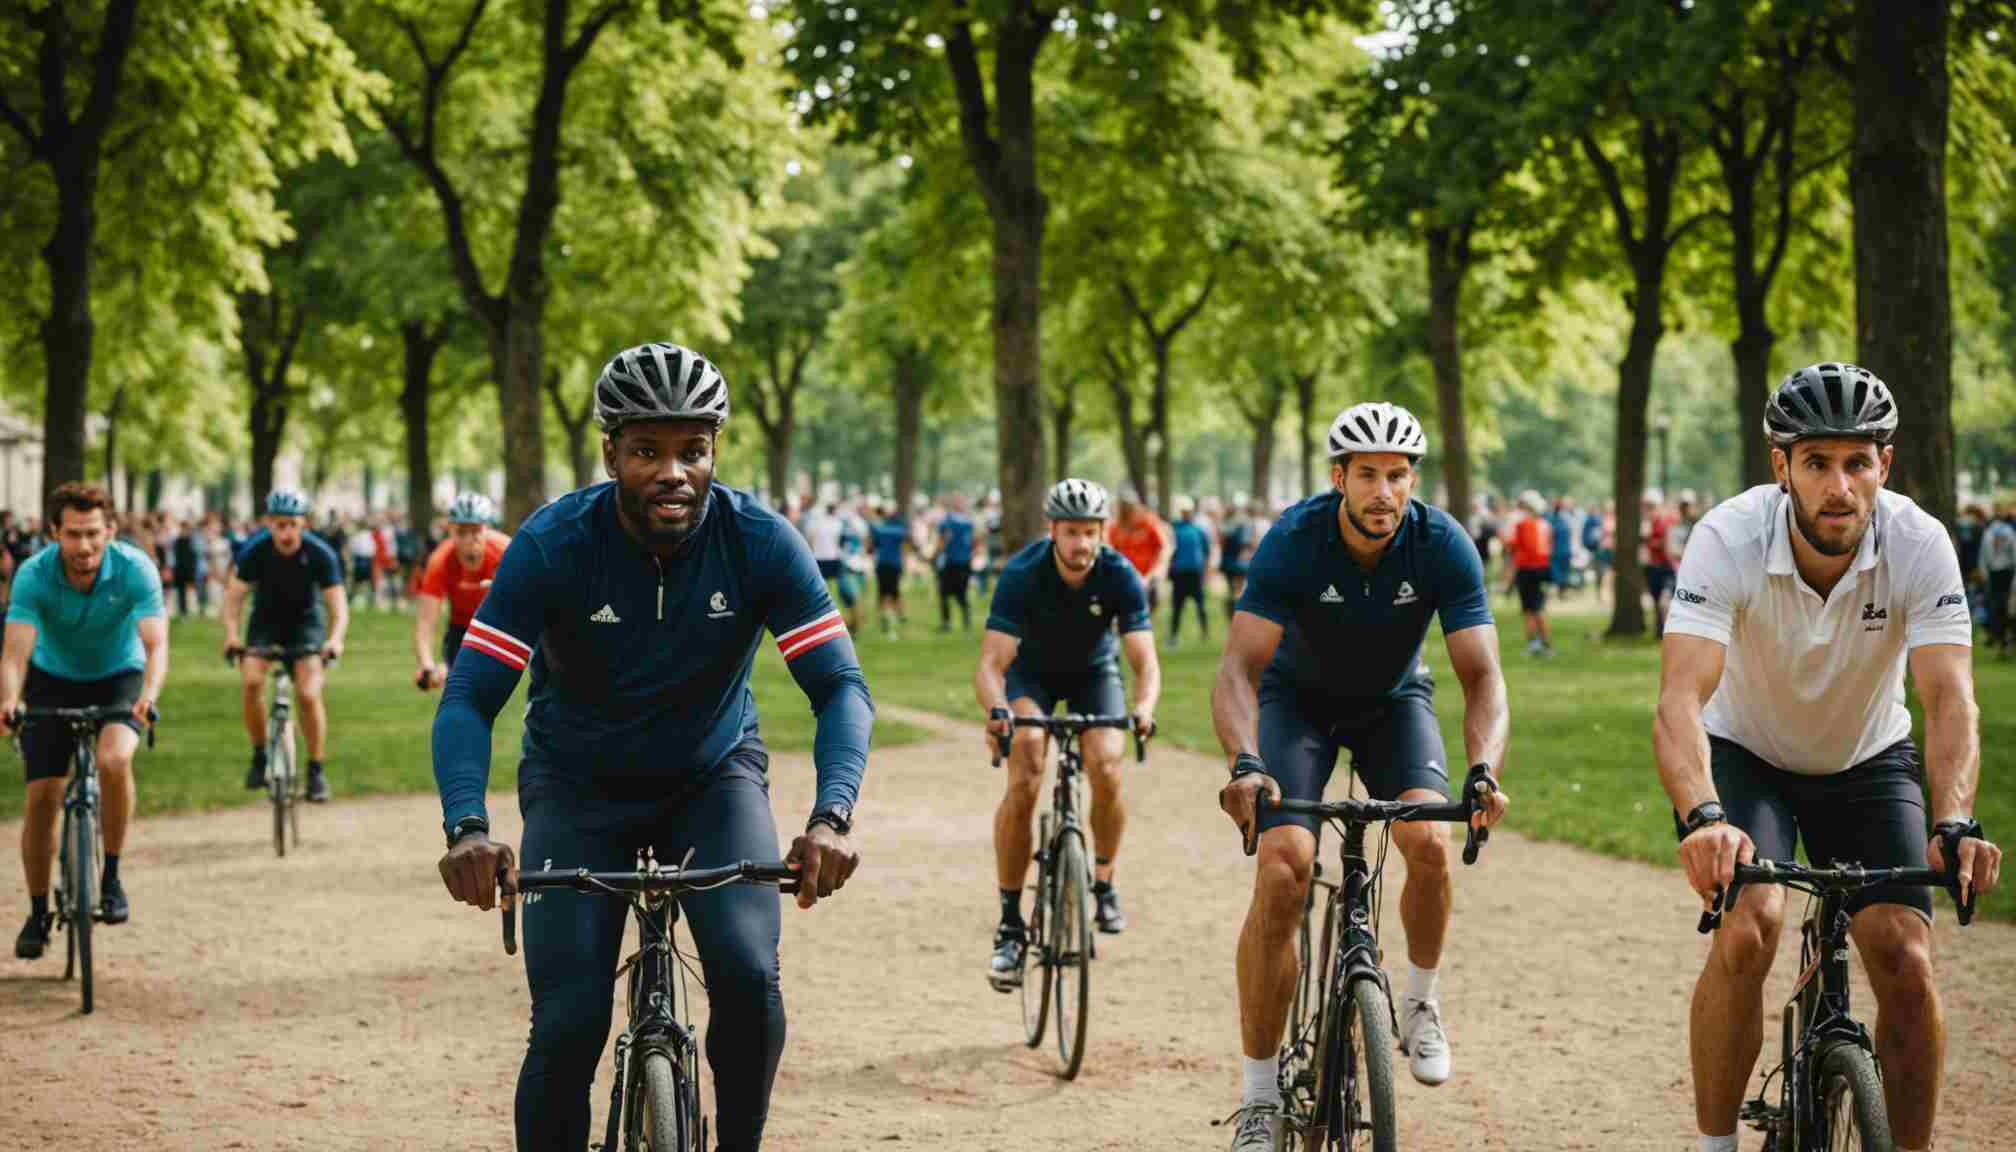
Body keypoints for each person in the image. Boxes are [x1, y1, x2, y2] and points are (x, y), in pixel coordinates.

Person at [430, 341, 870, 1152]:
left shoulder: (759, 541)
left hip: (712, 778)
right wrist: (466, 827)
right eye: (647, 451)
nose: (673, 471)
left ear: (714, 452)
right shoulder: (555, 542)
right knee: (567, 1023)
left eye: (692, 451)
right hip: (576, 785)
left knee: (747, 979)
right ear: (610, 452)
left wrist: (832, 817)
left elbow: (840, 687)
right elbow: (469, 696)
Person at [1656, 363, 2000, 1152]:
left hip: (1869, 758)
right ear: (1782, 467)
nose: (1839, 485)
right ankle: (1716, 1147)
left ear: (1886, 463)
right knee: (1749, 928)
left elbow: (1950, 699)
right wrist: (1704, 817)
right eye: (1817, 462)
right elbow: (1680, 697)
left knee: (1906, 960)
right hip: (1749, 755)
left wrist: (1952, 819)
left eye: (1858, 461)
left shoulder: (1920, 542)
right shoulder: (1727, 537)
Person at [1212, 401, 1509, 1150]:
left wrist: (1482, 773)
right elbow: (1239, 670)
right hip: (1296, 705)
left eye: (1399, 476)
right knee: (1284, 869)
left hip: (1393, 703)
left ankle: (1418, 1003)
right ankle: (1257, 1094)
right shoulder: (1295, 540)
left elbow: (1483, 677)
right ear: (1339, 477)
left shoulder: (1442, 544)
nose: (1384, 491)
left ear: (1414, 480)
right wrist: (1246, 763)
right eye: (1369, 475)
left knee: (1431, 846)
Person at [977, 478, 1159, 983]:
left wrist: (1144, 706)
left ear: (1104, 532)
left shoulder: (1120, 575)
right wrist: (997, 709)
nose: (1081, 544)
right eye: (1071, 532)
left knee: (1106, 766)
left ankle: (1102, 880)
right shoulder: (1022, 573)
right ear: (1051, 529)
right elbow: (992, 663)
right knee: (1028, 765)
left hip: (1094, 675)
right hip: (1030, 674)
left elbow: (1144, 659)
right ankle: (1011, 923)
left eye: (1091, 532)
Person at [2, 484, 166, 957]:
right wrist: (10, 701)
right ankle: (37, 913)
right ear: (54, 533)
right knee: (42, 796)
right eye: (73, 535)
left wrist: (148, 697)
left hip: (120, 676)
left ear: (110, 531)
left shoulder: (135, 569)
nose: (84, 546)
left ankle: (110, 878)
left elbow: (156, 645)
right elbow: (15, 652)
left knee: (114, 760)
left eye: (94, 534)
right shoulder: (34, 575)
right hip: (52, 679)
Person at [224, 488, 347, 803]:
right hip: (265, 622)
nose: (287, 532)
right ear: (269, 524)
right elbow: (234, 598)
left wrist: (334, 640)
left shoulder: (320, 553)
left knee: (307, 693)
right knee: (251, 681)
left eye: (292, 524)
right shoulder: (255, 551)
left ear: (303, 523)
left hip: (306, 623)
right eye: (280, 525)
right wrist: (232, 636)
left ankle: (316, 769)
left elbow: (337, 605)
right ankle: (260, 754)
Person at [414, 494, 510, 690]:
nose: (468, 539)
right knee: (458, 695)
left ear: (487, 529)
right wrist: (427, 665)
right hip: (461, 629)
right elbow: (425, 622)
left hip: (501, 626)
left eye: (475, 531)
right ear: (450, 531)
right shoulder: (440, 561)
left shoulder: (506, 551)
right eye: (461, 532)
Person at [1107, 489, 1172, 617]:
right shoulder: (1116, 527)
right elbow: (1111, 551)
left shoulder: (1149, 522)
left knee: (1144, 614)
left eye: (1129, 508)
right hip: (1126, 577)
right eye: (1124, 509)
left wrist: (1156, 572)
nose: (1127, 513)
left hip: (1148, 578)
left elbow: (1165, 548)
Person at [1509, 490, 1554, 656]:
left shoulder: (1522, 525)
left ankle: (1535, 643)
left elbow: (1516, 546)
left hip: (1527, 570)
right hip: (1542, 569)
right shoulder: (1546, 525)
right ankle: (1545, 643)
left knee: (1529, 610)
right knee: (1539, 608)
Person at [1167, 496, 1213, 645]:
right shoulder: (1173, 528)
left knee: (1200, 606)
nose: (1186, 514)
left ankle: (1205, 633)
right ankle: (1173, 636)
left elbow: (1206, 553)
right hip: (1179, 573)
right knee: (1177, 607)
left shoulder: (1198, 531)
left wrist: (1206, 572)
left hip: (1195, 573)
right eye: (1184, 511)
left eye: (1189, 511)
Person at [933, 493, 977, 632]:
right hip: (965, 561)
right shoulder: (969, 522)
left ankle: (946, 623)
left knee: (944, 593)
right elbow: (975, 541)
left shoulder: (947, 522)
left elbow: (943, 540)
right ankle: (966, 620)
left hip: (951, 561)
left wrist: (934, 556)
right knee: (961, 593)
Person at [1643, 488, 1679, 636]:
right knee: (1656, 600)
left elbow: (1668, 543)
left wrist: (1654, 542)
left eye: (1652, 506)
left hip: (1667, 567)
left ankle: (1668, 632)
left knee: (1665, 600)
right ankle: (1659, 631)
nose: (1649, 509)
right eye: (1647, 506)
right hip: (1653, 567)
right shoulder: (1648, 520)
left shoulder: (1668, 520)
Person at [1981, 501, 2015, 652]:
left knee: (1995, 604)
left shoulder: (1988, 532)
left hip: (1994, 573)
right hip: (2007, 572)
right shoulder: (2009, 532)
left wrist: (1985, 572)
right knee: (2006, 604)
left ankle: (1998, 635)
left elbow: (1984, 555)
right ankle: (2005, 636)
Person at [871, 502, 908, 638]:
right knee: (895, 591)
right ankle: (900, 614)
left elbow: (873, 546)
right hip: (895, 564)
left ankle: (885, 617)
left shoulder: (879, 529)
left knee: (882, 591)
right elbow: (904, 547)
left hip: (882, 563)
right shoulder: (899, 530)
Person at [1218, 495, 1257, 623]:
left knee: (1232, 590)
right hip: (1239, 562)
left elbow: (1222, 541)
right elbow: (1248, 543)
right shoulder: (1246, 523)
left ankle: (1232, 616)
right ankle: (1236, 615)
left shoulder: (1226, 523)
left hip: (1230, 561)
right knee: (1237, 590)